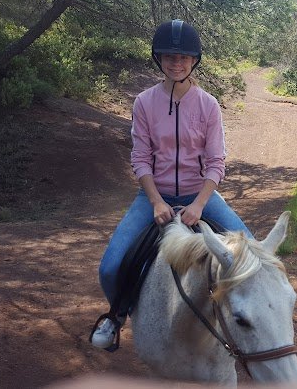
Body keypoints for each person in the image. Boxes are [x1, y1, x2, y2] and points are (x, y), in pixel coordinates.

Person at [90, 19, 253, 350]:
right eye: (169, 56)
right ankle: (117, 316)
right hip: (154, 195)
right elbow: (140, 158)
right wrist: (155, 201)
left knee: (252, 253)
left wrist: (199, 204)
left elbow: (216, 162)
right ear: (159, 59)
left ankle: (250, 322)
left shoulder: (208, 105)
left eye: (183, 57)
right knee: (110, 267)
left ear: (194, 61)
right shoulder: (144, 103)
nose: (176, 63)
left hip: (199, 194)